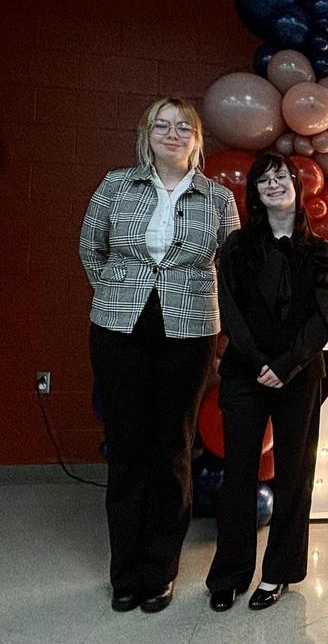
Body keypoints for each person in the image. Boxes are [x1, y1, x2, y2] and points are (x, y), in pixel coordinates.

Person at [80, 97, 239, 613]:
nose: (172, 134)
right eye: (161, 125)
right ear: (147, 134)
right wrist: (112, 288)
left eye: (183, 127)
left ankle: (160, 571)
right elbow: (91, 246)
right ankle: (125, 572)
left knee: (172, 447)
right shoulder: (114, 184)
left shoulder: (217, 200)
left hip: (188, 330)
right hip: (119, 326)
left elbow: (230, 266)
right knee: (127, 447)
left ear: (196, 140)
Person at [206, 152, 328, 612]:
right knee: (238, 474)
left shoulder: (319, 251)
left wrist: (286, 366)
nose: (274, 183)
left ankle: (278, 573)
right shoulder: (236, 248)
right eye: (264, 179)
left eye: (281, 176)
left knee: (295, 477)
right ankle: (230, 574)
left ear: (297, 187)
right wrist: (260, 361)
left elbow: (322, 320)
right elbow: (231, 314)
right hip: (245, 372)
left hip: (299, 377)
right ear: (255, 193)